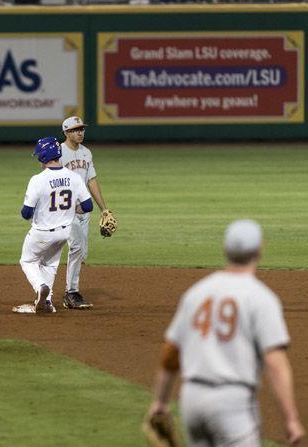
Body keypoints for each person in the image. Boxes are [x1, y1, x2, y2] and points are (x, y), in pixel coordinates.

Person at [146, 219, 305, 446]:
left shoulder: (197, 293)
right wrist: (291, 418)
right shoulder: (261, 298)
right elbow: (275, 363)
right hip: (232, 404)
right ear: (259, 250)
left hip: (192, 401)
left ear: (225, 250)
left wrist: (160, 402)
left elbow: (171, 352)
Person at [15, 136, 93, 314]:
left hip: (41, 233)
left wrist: (41, 210)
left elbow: (26, 214)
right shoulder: (73, 177)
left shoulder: (38, 179)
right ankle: (47, 302)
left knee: (27, 260)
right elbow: (88, 206)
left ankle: (40, 287)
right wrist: (71, 210)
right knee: (50, 265)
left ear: (43, 156)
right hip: (64, 233)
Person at [59, 116, 113, 310]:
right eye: (75, 130)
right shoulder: (58, 152)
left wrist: (104, 209)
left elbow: (92, 181)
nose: (80, 132)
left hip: (84, 210)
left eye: (82, 129)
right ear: (66, 133)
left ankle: (61, 289)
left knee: (82, 253)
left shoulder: (86, 153)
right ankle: (71, 293)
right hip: (65, 212)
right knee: (76, 248)